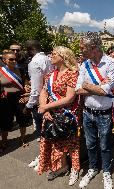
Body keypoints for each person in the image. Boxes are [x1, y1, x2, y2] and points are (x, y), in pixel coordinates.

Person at [76, 32, 114, 189]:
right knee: (90, 144)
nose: (80, 50)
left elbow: (106, 91)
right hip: (87, 112)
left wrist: (88, 85)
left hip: (104, 114)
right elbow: (77, 90)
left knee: (105, 145)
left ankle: (106, 171)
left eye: (82, 48)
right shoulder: (84, 64)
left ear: (93, 48)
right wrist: (98, 86)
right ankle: (93, 168)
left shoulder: (111, 63)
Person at [37, 46, 80, 186]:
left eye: (54, 54)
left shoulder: (72, 74)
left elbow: (70, 98)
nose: (51, 55)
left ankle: (74, 169)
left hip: (67, 116)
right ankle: (61, 167)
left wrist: (46, 107)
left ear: (63, 57)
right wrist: (46, 110)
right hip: (51, 115)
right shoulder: (50, 74)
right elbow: (44, 93)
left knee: (71, 144)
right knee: (55, 143)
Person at [25, 40, 52, 171]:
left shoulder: (34, 62)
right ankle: (46, 157)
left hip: (40, 103)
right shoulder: (47, 58)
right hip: (50, 100)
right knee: (48, 132)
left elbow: (36, 89)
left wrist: (28, 106)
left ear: (30, 49)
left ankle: (44, 158)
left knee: (42, 134)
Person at [0, 51, 29, 151]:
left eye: (15, 59)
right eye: (11, 59)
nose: (14, 61)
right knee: (5, 121)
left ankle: (23, 139)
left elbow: (26, 84)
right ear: (4, 60)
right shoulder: (1, 71)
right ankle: (4, 141)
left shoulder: (20, 71)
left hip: (20, 99)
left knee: (22, 119)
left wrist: (26, 95)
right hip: (5, 101)